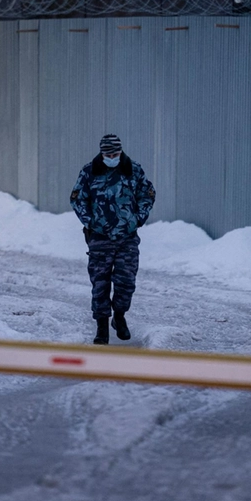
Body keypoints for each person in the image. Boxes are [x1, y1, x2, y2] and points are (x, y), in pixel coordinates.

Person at [70, 134, 156, 345]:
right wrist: (90, 221)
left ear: (120, 151)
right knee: (100, 283)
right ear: (101, 152)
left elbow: (148, 194)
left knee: (126, 282)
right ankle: (101, 326)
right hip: (100, 237)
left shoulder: (133, 169)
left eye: (115, 153)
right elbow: (77, 198)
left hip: (127, 237)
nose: (111, 157)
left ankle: (119, 317)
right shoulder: (89, 171)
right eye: (108, 154)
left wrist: (138, 219)